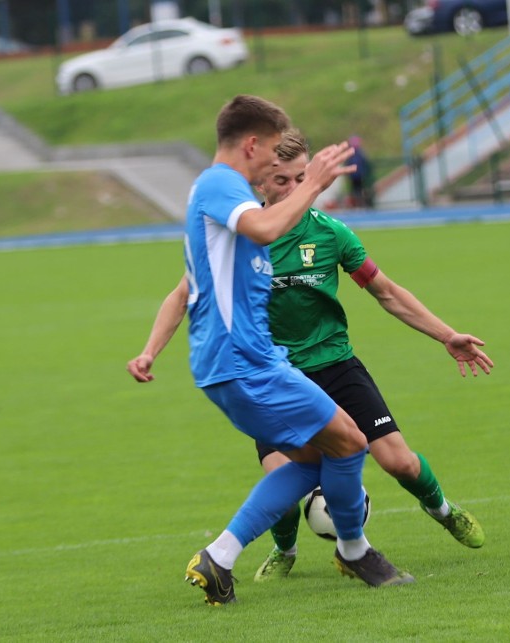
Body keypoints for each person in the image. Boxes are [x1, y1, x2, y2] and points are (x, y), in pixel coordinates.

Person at [128, 129, 492, 583]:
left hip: (334, 364)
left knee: (398, 461)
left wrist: (446, 335)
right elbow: (184, 294)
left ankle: (441, 509)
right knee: (285, 471)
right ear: (261, 181)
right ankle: (290, 549)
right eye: (283, 181)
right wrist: (149, 351)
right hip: (272, 373)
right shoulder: (242, 234)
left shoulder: (330, 233)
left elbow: (387, 292)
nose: (296, 189)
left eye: (304, 178)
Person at [165, 94, 412, 604]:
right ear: (252, 143)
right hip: (245, 361)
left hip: (240, 361)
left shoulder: (218, 190)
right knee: (349, 442)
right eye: (273, 152)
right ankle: (353, 550)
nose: (275, 165)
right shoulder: (222, 184)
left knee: (313, 458)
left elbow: (194, 281)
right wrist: (317, 183)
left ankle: (221, 558)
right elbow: (266, 227)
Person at [346, 135, 374, 208]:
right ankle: (357, 204)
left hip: (360, 175)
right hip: (354, 176)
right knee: (355, 191)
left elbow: (365, 163)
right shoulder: (352, 153)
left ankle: (362, 203)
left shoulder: (360, 153)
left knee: (362, 190)